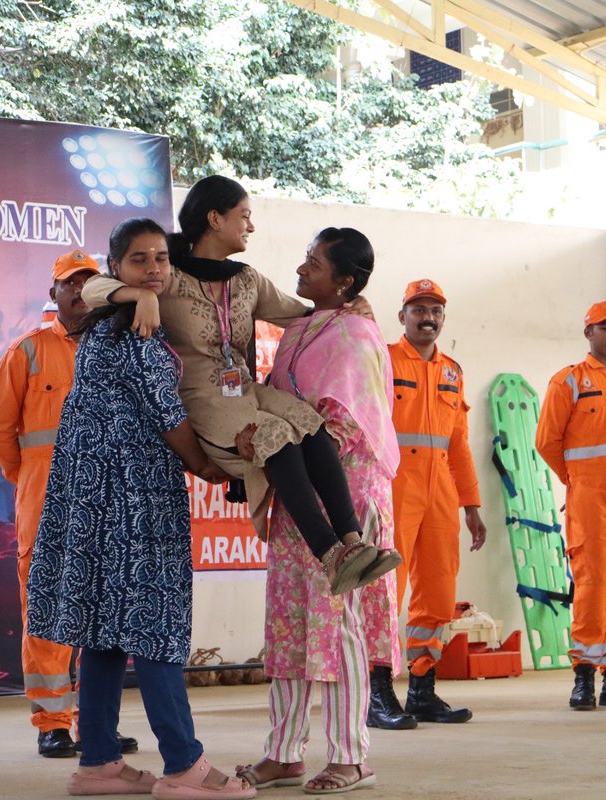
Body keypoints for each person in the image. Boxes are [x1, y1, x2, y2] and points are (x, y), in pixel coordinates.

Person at [81, 176, 399, 595]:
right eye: (244, 216)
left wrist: (352, 306)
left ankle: (354, 544)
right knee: (276, 437)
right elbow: (91, 288)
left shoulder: (247, 280)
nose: (251, 226)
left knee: (307, 422)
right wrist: (138, 296)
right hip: (201, 397)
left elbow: (303, 314)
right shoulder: (168, 275)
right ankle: (329, 556)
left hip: (244, 388)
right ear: (215, 219)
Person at [26, 217, 254, 799]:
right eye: (139, 260)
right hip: (135, 499)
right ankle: (184, 767)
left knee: (103, 630)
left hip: (89, 500)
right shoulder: (137, 333)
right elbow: (170, 420)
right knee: (156, 627)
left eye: (160, 258)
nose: (153, 268)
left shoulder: (103, 327)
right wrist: (209, 467)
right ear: (116, 268)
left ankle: (98, 762)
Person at [235, 227, 395, 794]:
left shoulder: (357, 334)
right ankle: (284, 752)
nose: (302, 271)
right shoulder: (300, 327)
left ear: (345, 281)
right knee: (288, 621)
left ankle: (350, 756)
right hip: (296, 499)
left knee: (340, 624)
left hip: (346, 493)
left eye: (314, 264)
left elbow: (344, 423)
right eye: (304, 259)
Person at [0, 250, 138, 759]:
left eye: (90, 282)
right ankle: (52, 722)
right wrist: (27, 475)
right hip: (46, 503)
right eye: (71, 283)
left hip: (110, 503)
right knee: (48, 611)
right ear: (54, 294)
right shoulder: (27, 352)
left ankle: (97, 725)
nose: (80, 291)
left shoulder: (122, 349)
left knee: (107, 616)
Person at [536, 300, 606, 711]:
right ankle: (584, 674)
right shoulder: (568, 381)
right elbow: (547, 442)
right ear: (589, 333)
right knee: (594, 582)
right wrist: (579, 481)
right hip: (590, 497)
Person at [382, 278, 486, 727]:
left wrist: (471, 505)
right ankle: (379, 691)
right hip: (393, 487)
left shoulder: (453, 371)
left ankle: (423, 688)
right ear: (402, 315)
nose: (428, 318)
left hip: (441, 490)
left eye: (436, 311)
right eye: (419, 309)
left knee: (439, 591)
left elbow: (459, 443)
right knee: (386, 589)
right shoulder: (383, 360)